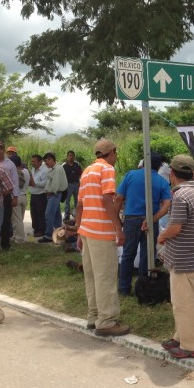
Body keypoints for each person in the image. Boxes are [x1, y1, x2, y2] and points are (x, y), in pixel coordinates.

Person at [76, 139, 130, 337]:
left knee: (91, 276)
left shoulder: (87, 171)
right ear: (112, 152)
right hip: (101, 231)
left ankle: (94, 316)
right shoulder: (107, 169)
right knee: (105, 276)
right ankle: (106, 321)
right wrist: (118, 228)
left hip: (87, 231)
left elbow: (80, 204)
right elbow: (108, 199)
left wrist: (79, 229)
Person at [158, 154, 194, 359]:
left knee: (183, 303)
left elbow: (176, 228)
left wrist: (162, 235)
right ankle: (180, 337)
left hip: (183, 259)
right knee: (185, 300)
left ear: (172, 174)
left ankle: (191, 345)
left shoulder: (180, 195)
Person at [115, 152, 171, 296]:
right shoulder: (162, 181)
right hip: (151, 219)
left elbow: (119, 197)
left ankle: (123, 288)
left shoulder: (130, 175)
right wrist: (152, 219)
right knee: (147, 255)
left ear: (144, 162)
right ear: (159, 166)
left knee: (128, 254)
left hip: (131, 218)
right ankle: (142, 288)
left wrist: (117, 216)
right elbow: (166, 206)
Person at [38, 152, 68, 242]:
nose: (45, 164)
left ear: (51, 159)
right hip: (53, 194)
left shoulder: (58, 169)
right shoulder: (53, 169)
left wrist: (50, 192)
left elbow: (55, 184)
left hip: (54, 194)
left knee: (49, 214)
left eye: (46, 161)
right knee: (56, 216)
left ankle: (48, 235)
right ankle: (59, 234)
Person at [0, 141, 19, 251]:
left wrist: (15, 197)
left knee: (5, 221)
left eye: (0, 149)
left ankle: (5, 244)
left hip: (6, 196)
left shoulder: (10, 164)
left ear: (3, 150)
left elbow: (15, 181)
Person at [9, 154, 30, 243]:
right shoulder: (26, 171)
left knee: (16, 220)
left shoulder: (13, 172)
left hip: (16, 197)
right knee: (20, 219)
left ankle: (20, 238)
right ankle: (15, 235)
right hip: (24, 196)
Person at [28, 154, 48, 237]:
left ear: (40, 162)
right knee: (33, 213)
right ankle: (35, 229)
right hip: (33, 194)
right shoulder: (33, 169)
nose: (33, 163)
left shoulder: (45, 170)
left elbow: (45, 183)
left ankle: (41, 230)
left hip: (41, 195)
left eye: (34, 161)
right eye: (32, 161)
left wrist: (34, 183)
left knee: (41, 213)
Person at [62, 150, 82, 220]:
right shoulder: (64, 166)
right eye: (70, 156)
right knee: (67, 201)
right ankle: (66, 215)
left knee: (77, 200)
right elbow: (62, 176)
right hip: (68, 185)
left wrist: (80, 182)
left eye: (72, 156)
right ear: (67, 156)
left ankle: (76, 215)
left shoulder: (77, 165)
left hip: (76, 184)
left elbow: (80, 174)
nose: (71, 157)